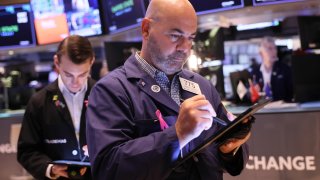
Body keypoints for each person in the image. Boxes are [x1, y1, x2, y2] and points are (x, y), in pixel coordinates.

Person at [86, 0, 250, 179]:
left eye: (191, 38)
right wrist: (177, 134)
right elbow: (107, 169)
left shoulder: (203, 86)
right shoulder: (111, 90)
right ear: (146, 29)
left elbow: (223, 161)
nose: (185, 48)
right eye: (175, 35)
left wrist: (230, 149)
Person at [17, 35, 95, 179]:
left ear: (92, 62)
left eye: (83, 74)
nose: (75, 82)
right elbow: (26, 151)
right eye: (68, 74)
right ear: (57, 63)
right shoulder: (39, 102)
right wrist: (50, 169)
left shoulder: (105, 95)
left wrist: (103, 148)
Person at [250, 37, 293, 102]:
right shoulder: (255, 72)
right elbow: (251, 95)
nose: (274, 51)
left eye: (275, 48)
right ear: (261, 53)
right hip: (262, 109)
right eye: (270, 48)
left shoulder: (285, 69)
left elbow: (292, 93)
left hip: (282, 109)